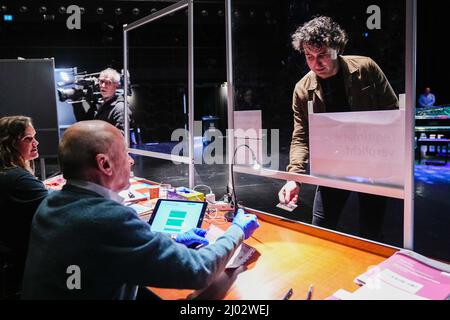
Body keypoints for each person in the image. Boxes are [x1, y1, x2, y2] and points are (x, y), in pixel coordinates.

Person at [22, 120, 259, 299]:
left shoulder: (51, 203)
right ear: (104, 163)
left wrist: (172, 238)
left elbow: (104, 251)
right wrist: (236, 230)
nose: (131, 160)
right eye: (125, 153)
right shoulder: (108, 219)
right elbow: (199, 271)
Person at [278, 16, 398, 241]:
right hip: (333, 166)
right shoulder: (302, 89)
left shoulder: (366, 68)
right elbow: (301, 136)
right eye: (309, 56)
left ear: (337, 48)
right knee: (321, 229)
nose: (316, 63)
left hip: (371, 163)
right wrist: (293, 177)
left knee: (372, 234)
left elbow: (392, 113)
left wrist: (386, 160)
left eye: (322, 54)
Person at [0, 116, 48, 297]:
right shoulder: (18, 178)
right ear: (9, 144)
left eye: (34, 137)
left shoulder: (7, 171)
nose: (36, 142)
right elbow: (57, 209)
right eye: (28, 139)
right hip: (18, 268)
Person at [72, 68, 131, 133]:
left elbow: (121, 137)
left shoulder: (121, 108)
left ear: (116, 85)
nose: (103, 86)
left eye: (108, 82)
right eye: (101, 81)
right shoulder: (98, 104)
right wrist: (76, 101)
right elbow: (84, 124)